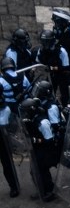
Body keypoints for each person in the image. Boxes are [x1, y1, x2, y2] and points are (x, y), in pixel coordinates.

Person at [1, 56, 31, 197]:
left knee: (6, 159)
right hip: (22, 112)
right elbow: (30, 94)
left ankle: (14, 188)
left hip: (8, 118)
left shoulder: (1, 81)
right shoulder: (23, 78)